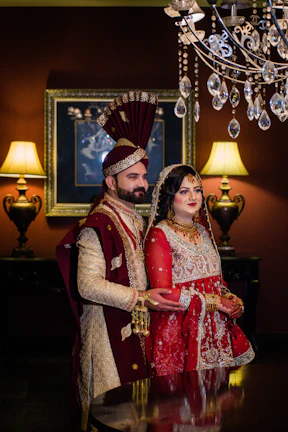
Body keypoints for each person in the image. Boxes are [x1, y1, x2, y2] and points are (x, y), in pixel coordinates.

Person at [56, 91, 183, 432]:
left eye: (144, 176)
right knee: (111, 411)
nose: (143, 184)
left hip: (137, 327)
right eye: (133, 178)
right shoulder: (97, 225)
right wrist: (141, 298)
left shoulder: (137, 220)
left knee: (139, 411)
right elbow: (87, 285)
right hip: (105, 332)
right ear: (111, 181)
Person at [144, 164, 255, 377]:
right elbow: (163, 292)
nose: (193, 196)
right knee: (183, 402)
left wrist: (229, 297)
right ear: (169, 197)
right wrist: (216, 302)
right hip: (180, 330)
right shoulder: (160, 234)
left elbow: (215, 282)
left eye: (197, 190)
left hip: (215, 328)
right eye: (183, 191)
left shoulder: (203, 232)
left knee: (217, 398)